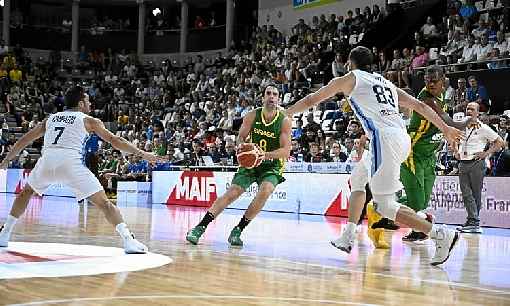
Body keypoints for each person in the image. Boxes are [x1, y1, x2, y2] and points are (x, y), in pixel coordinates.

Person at [285, 46, 463, 266]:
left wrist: (286, 113)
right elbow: (417, 105)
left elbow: (313, 99)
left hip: (384, 139)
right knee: (359, 177)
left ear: (350, 63)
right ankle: (348, 235)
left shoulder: (351, 78)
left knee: (384, 206)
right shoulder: (385, 83)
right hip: (400, 138)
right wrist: (445, 129)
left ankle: (440, 234)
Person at [0, 86, 165, 253]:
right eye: (88, 101)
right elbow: (115, 140)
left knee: (26, 193)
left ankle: (5, 233)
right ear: (80, 104)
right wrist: (143, 153)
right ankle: (128, 240)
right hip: (71, 164)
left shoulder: (50, 119)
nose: (90, 104)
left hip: (47, 162)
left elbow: (25, 139)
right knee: (105, 204)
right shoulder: (89, 120)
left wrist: (7, 159)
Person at [186, 84, 292, 246]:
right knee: (232, 193)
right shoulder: (251, 116)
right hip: (251, 162)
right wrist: (242, 147)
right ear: (263, 97)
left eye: (275, 94)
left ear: (278, 99)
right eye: (268, 93)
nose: (271, 96)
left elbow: (285, 152)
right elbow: (240, 138)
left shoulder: (284, 121)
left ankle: (238, 230)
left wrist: (264, 155)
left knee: (265, 191)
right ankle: (199, 228)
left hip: (271, 164)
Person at [400, 66, 477, 242]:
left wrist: (452, 142)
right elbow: (449, 123)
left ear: (444, 80)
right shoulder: (426, 98)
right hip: (413, 151)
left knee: (424, 201)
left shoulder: (442, 95)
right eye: (427, 81)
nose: (430, 84)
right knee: (417, 202)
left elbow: (442, 129)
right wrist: (469, 120)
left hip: (429, 153)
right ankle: (380, 209)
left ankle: (405, 219)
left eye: (434, 80)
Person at [456, 102, 504, 233]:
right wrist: (455, 149)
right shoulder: (462, 125)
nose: (469, 111)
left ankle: (473, 221)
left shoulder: (483, 127)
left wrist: (486, 153)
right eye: (467, 109)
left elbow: (500, 142)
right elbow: (454, 138)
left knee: (474, 194)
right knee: (466, 193)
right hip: (463, 162)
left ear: (478, 113)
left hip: (476, 163)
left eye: (472, 109)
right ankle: (473, 221)